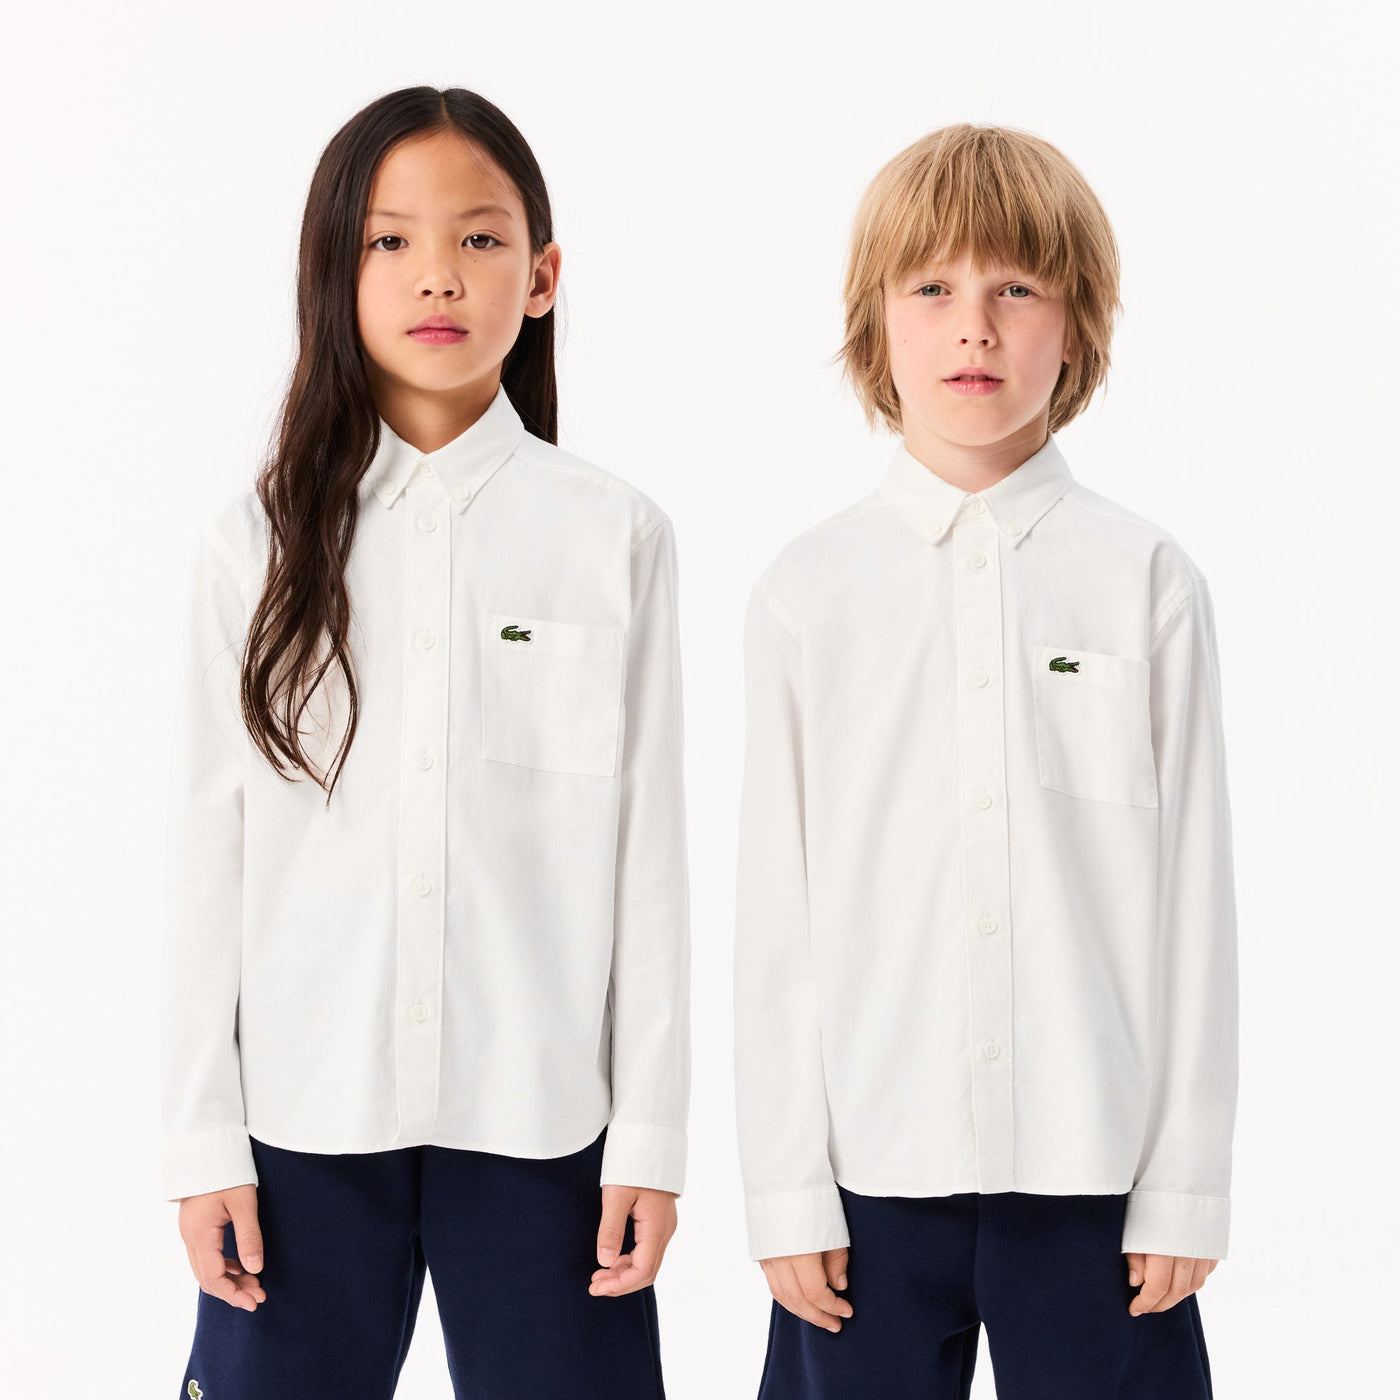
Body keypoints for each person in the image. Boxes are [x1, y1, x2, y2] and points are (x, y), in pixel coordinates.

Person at [161, 86, 689, 1400]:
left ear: (543, 275)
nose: (436, 275)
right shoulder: (254, 543)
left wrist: (650, 1136)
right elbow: (206, 856)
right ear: (331, 274)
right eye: (389, 241)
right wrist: (202, 1138)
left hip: (543, 1127)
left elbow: (649, 859)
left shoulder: (613, 537)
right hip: (300, 1123)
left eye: (479, 238)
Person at [733, 123, 1237, 1398]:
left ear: (1076, 323)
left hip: (1095, 1176)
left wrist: (1183, 1179)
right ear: (875, 321)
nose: (973, 327)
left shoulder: (1144, 581)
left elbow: (1192, 900)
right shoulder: (809, 591)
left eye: (1015, 286)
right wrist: (785, 1184)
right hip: (866, 1180)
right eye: (930, 288)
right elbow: (775, 914)